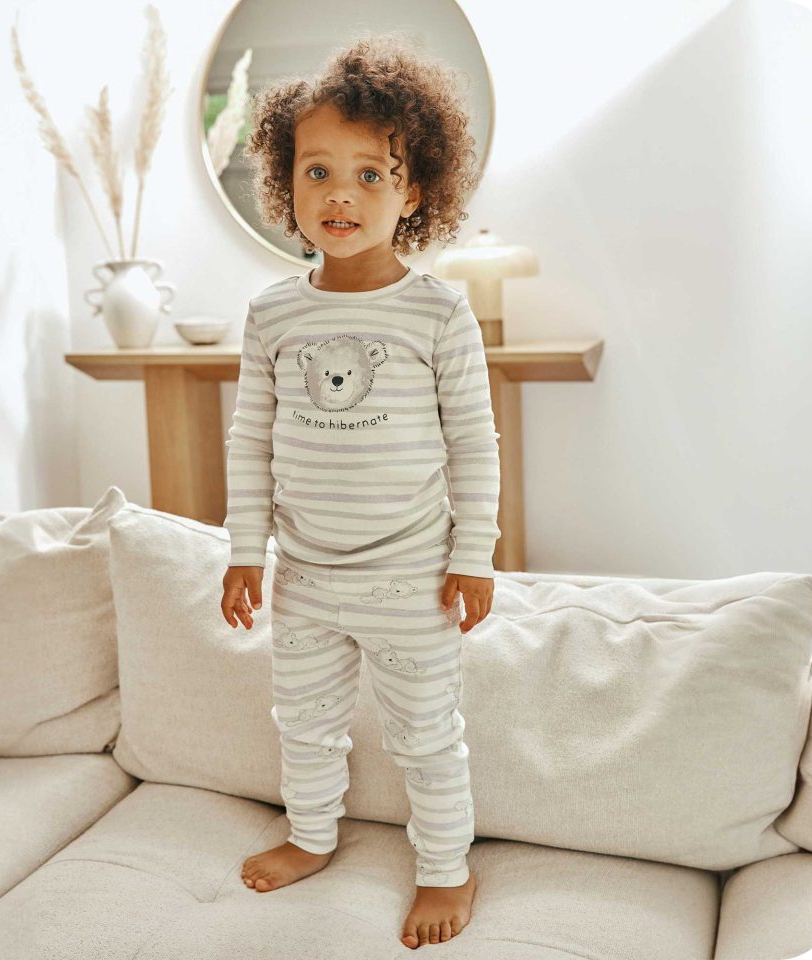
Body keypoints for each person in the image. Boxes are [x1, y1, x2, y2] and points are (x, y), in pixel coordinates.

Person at [219, 32, 500, 950]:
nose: (341, 195)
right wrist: (244, 552)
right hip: (306, 576)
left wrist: (473, 555)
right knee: (303, 724)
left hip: (411, 577)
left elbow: (473, 442)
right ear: (287, 185)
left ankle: (446, 868)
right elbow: (250, 441)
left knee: (426, 732)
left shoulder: (438, 313)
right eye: (318, 172)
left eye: (371, 175)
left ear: (414, 192)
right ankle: (311, 837)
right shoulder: (272, 315)